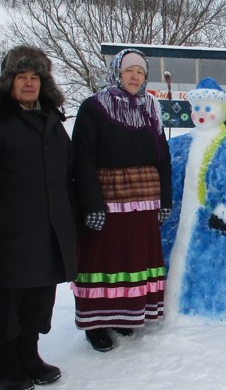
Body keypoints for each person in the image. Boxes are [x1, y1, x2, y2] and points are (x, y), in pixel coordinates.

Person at [0, 45, 77, 390]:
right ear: (8, 82)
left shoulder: (52, 121)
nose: (29, 84)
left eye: (35, 78)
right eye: (22, 77)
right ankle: (3, 362)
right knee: (7, 300)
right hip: (9, 231)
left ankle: (29, 355)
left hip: (49, 229)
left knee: (39, 297)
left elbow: (68, 174)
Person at [72, 49, 171, 352]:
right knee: (103, 258)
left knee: (133, 258)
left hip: (144, 199)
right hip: (108, 197)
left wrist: (165, 199)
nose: (135, 77)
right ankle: (94, 322)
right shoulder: (94, 107)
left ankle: (123, 314)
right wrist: (91, 204)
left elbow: (162, 159)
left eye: (140, 72)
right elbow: (82, 159)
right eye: (129, 71)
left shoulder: (150, 108)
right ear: (117, 72)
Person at [160, 78, 226, 320]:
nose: (201, 113)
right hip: (179, 221)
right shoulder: (176, 144)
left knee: (216, 268)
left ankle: (220, 308)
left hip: (218, 226)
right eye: (197, 108)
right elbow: (166, 176)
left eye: (207, 108)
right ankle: (168, 306)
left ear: (220, 111)